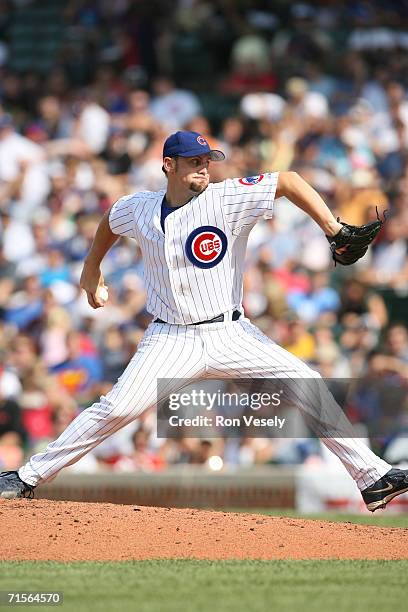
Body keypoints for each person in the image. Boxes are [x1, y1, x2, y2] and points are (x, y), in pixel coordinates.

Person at [1, 130, 407, 512]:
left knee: (309, 385)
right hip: (169, 337)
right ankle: (27, 477)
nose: (203, 168)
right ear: (168, 165)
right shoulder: (140, 208)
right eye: (193, 161)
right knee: (115, 410)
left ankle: (372, 477)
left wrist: (332, 228)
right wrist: (91, 268)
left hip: (230, 331)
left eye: (207, 161)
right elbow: (111, 218)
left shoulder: (226, 198)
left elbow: (289, 180)